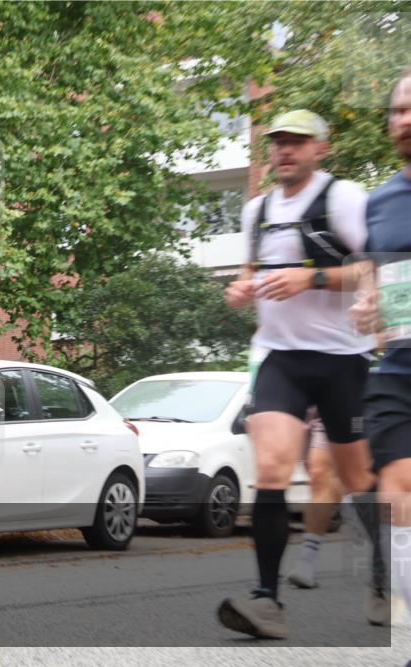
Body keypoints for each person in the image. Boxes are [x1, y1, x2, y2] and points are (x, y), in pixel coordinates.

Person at [219, 109, 381, 638]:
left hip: (343, 358)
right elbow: (251, 270)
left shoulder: (343, 198)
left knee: (357, 480)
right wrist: (240, 288)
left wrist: (310, 279)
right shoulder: (257, 210)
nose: (284, 150)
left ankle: (384, 579)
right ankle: (267, 601)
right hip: (280, 357)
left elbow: (372, 268)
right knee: (270, 469)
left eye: (297, 141)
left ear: (320, 149)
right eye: (278, 142)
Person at [350, 68, 411, 625]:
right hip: (398, 368)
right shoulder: (382, 202)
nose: (405, 119)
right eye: (397, 110)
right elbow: (372, 280)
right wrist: (367, 307)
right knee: (397, 490)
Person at [285, 410, 345, 590]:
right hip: (312, 408)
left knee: (333, 477)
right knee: (318, 476)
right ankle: (306, 561)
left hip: (356, 406)